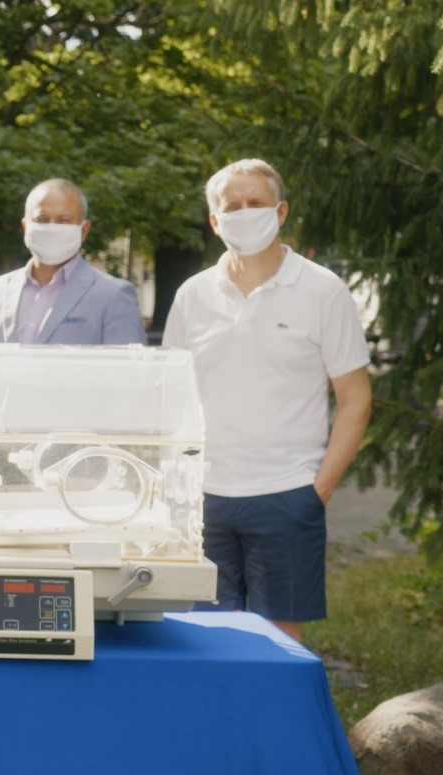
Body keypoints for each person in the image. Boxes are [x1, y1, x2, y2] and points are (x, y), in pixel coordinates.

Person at [164, 159, 372, 642]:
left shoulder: (322, 290)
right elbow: (169, 396)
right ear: (214, 221)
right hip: (203, 499)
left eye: (255, 204)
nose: (243, 213)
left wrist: (316, 489)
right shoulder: (193, 296)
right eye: (230, 207)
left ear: (280, 212)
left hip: (287, 494)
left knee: (280, 641)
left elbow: (356, 398)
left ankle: (274, 722)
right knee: (202, 639)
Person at [0, 179, 147, 345]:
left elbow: (128, 376)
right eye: (42, 219)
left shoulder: (113, 296)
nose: (51, 227)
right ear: (26, 226)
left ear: (84, 230)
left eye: (63, 221)